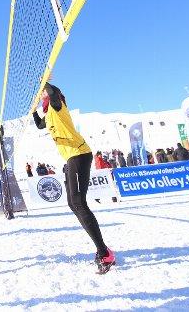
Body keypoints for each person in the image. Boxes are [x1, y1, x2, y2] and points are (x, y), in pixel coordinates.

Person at [33, 82, 116, 274]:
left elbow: (54, 92)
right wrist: (33, 109)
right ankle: (103, 250)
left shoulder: (57, 105)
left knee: (79, 203)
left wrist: (43, 81)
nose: (44, 95)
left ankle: (104, 253)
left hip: (79, 154)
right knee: (73, 203)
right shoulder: (49, 114)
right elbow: (39, 124)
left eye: (45, 94)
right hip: (71, 157)